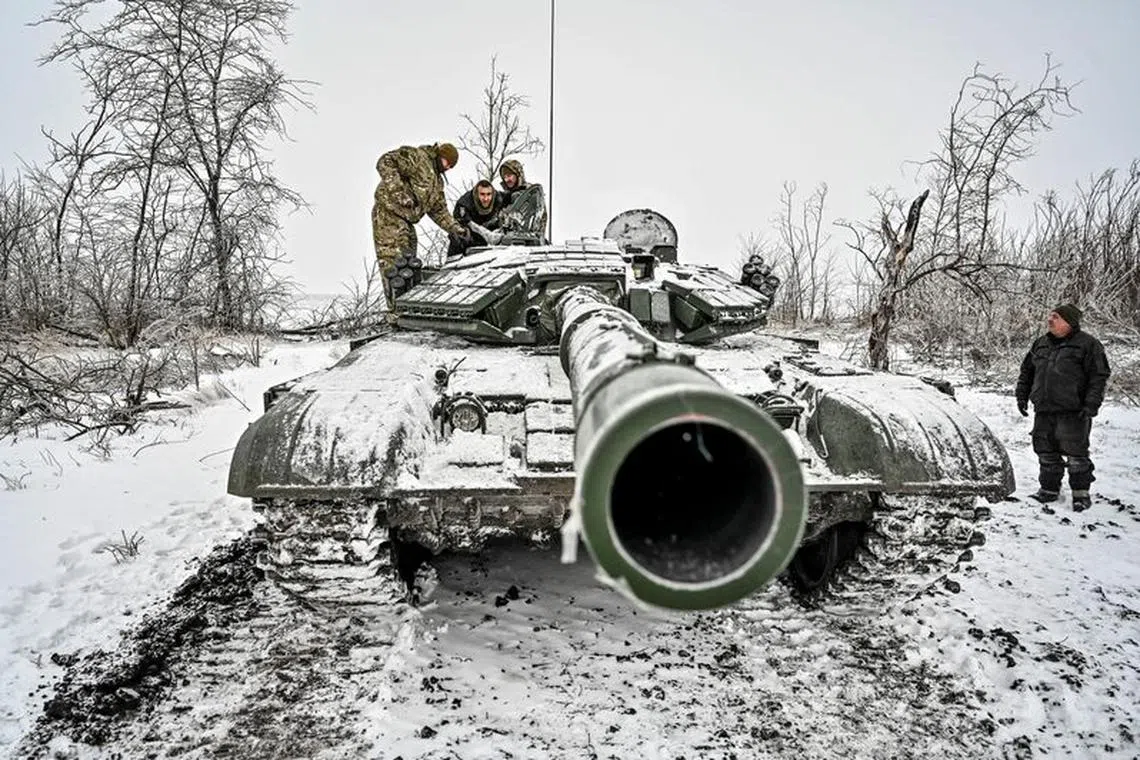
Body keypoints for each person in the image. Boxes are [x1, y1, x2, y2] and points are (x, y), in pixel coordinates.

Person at [1015, 303, 1111, 512]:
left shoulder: (1088, 345)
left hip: (1074, 410)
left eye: (1056, 317)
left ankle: (1080, 494)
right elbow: (1027, 373)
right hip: (1044, 408)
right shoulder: (1040, 344)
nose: (1050, 319)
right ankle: (1048, 490)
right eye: (1050, 315)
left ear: (1069, 322)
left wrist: (1091, 404)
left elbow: (1099, 376)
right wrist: (1021, 396)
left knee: (1076, 454)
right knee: (1045, 450)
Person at [370, 141, 469, 306]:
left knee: (409, 268)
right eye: (447, 163)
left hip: (407, 223)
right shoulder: (418, 158)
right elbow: (385, 161)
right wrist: (398, 191)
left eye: (451, 166)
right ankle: (396, 310)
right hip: (388, 216)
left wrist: (456, 229)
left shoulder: (436, 183)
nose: (448, 168)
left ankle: (405, 309)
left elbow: (439, 211)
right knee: (393, 264)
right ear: (440, 155)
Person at [447, 179, 504, 257]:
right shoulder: (464, 203)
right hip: (470, 235)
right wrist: (489, 236)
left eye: (488, 194)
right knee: (459, 234)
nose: (486, 198)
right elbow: (464, 223)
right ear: (477, 194)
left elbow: (514, 196)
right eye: (482, 194)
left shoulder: (499, 197)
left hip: (491, 230)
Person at [497, 159, 547, 238]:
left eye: (509, 176)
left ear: (518, 175)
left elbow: (538, 218)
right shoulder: (504, 198)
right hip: (507, 242)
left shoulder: (530, 194)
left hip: (527, 241)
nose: (507, 180)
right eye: (505, 177)